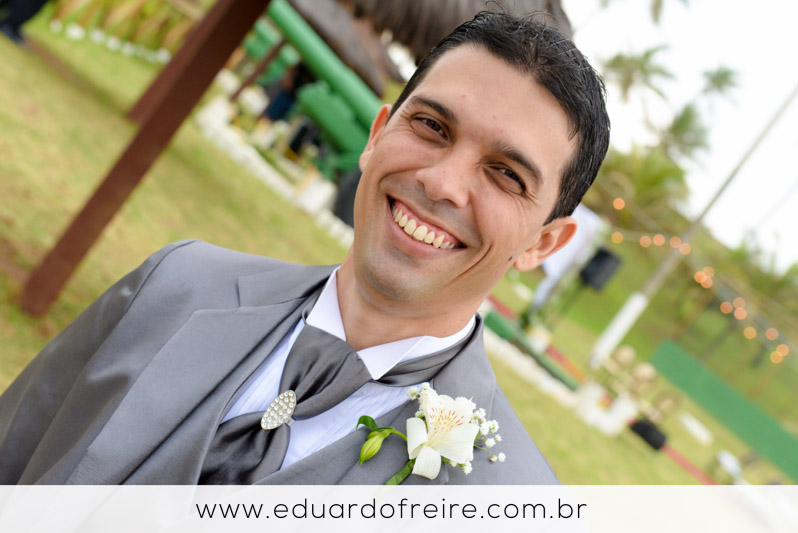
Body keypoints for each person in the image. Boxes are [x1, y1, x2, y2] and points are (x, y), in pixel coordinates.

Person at [0, 11, 609, 485]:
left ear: (542, 243)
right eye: (431, 126)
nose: (442, 183)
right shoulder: (171, 283)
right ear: (377, 135)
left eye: (506, 174)